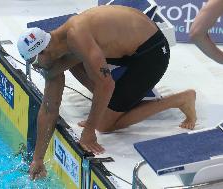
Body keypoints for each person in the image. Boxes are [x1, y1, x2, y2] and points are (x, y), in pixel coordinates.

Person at [17, 5, 197, 180]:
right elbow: (49, 109)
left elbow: (106, 85)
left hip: (152, 51)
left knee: (104, 125)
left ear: (44, 50)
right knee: (69, 65)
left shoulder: (76, 36)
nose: (36, 67)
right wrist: (38, 158)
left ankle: (181, 100)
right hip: (127, 45)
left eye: (35, 62)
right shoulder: (55, 48)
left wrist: (89, 129)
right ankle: (110, 107)